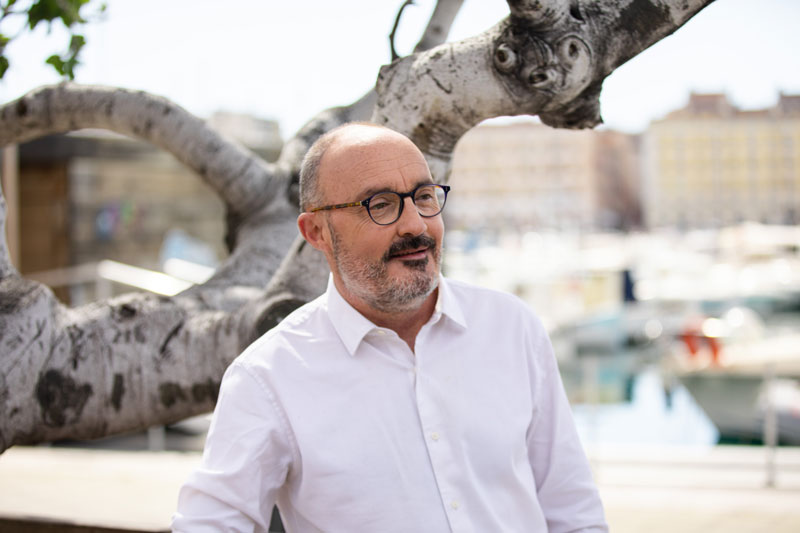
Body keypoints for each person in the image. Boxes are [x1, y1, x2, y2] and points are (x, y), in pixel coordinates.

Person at [172, 123, 608, 532]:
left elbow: (571, 508)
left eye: (424, 196)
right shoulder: (268, 377)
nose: (415, 224)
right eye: (380, 205)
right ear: (317, 231)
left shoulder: (512, 328)